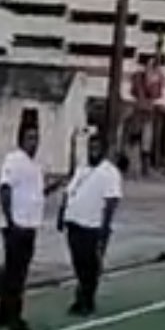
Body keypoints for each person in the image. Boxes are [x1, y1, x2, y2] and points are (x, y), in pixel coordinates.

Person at [59, 130, 123, 316]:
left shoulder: (110, 172)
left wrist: (105, 227)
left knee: (90, 265)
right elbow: (68, 192)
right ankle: (81, 296)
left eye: (97, 148)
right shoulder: (82, 169)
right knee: (78, 262)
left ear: (103, 150)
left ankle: (86, 300)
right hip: (74, 222)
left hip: (93, 225)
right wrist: (62, 214)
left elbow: (111, 201)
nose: (93, 151)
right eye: (90, 148)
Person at [0, 118, 45, 330]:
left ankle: (3, 314)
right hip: (16, 226)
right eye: (30, 138)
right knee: (16, 274)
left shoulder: (35, 166)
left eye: (36, 138)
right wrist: (10, 220)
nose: (34, 143)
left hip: (30, 224)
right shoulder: (14, 160)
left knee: (14, 273)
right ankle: (13, 317)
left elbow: (34, 194)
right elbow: (5, 190)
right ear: (21, 140)